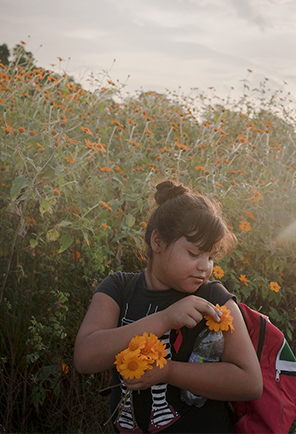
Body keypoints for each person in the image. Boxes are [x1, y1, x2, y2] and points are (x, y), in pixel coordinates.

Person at [74, 180, 263, 434]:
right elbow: (85, 358)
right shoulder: (118, 288)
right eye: (194, 254)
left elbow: (250, 382)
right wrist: (164, 320)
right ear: (157, 242)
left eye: (211, 257)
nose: (205, 267)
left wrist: (168, 372)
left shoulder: (213, 298)